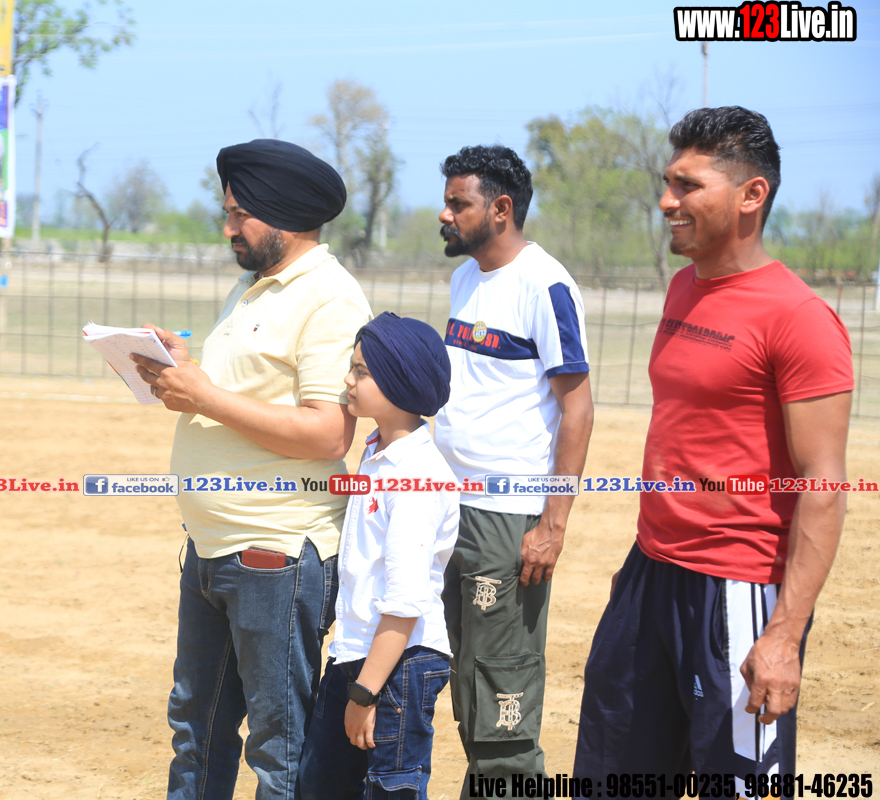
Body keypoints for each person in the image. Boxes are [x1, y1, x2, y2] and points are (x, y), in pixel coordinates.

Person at [573, 107, 854, 784]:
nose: (667, 201)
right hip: (650, 575)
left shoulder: (799, 319)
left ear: (752, 195)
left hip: (737, 590)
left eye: (689, 185)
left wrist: (783, 634)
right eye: (668, 183)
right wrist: (641, 572)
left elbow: (823, 484)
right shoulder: (683, 287)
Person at [129, 139, 372, 800]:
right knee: (196, 730)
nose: (228, 227)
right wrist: (184, 372)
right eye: (228, 212)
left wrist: (204, 396)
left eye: (240, 214)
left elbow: (329, 431)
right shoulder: (252, 284)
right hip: (212, 548)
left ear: (285, 215)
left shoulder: (330, 299)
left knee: (278, 744)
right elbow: (241, 394)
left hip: (276, 555)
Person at [432, 145, 594, 796]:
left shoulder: (545, 285)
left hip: (507, 517)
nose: (444, 214)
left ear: (501, 209)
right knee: (463, 675)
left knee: (502, 682)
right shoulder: (464, 279)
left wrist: (552, 525)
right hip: (448, 505)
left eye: (458, 203)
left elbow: (578, 409)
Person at [298, 312, 458, 800]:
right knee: (320, 785)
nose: (348, 380)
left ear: (400, 382)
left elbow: (406, 600)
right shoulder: (377, 454)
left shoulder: (416, 475)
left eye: (362, 371)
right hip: (358, 652)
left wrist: (366, 693)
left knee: (391, 788)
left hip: (398, 664)